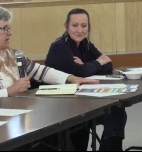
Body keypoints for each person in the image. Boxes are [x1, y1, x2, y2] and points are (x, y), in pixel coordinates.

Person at [0, 4, 99, 150]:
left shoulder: (10, 54)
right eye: (4, 28)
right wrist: (10, 91)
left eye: (9, 28)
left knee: (60, 132)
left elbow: (39, 71)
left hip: (12, 120)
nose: (9, 33)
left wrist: (71, 78)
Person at [45, 8, 127, 151]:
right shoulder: (59, 46)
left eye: (84, 26)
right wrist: (95, 64)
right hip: (61, 103)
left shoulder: (86, 45)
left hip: (84, 98)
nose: (80, 30)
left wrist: (88, 66)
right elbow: (80, 72)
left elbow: (108, 65)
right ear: (66, 26)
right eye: (75, 25)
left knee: (116, 111)